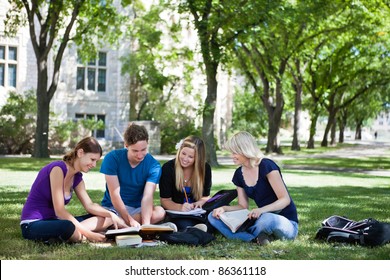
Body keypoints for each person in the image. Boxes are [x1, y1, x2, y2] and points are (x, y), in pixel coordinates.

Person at [20, 137, 126, 244]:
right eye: (92, 159)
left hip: (55, 221)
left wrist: (111, 215)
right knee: (67, 226)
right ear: (80, 153)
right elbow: (59, 211)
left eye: (96, 161)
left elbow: (89, 205)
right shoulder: (58, 169)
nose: (94, 165)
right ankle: (82, 236)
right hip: (34, 224)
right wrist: (89, 234)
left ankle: (67, 237)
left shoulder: (77, 178)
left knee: (108, 216)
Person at [208, 131, 298, 245]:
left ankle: (246, 234)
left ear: (245, 150)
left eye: (235, 152)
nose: (232, 156)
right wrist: (224, 209)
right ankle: (255, 238)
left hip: (285, 222)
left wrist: (261, 210)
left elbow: (285, 199)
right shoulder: (238, 174)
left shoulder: (267, 165)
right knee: (212, 216)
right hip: (260, 218)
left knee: (267, 219)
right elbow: (243, 206)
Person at [100, 123, 165, 227]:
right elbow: (115, 195)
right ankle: (119, 222)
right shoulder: (112, 158)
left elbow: (147, 197)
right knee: (108, 217)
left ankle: (116, 224)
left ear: (147, 143)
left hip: (138, 209)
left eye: (143, 150)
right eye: (135, 150)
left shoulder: (154, 165)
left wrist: (146, 227)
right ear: (126, 145)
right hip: (114, 207)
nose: (140, 155)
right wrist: (130, 220)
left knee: (160, 212)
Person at [159, 136, 212, 231]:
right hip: (177, 212)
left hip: (196, 213)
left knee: (218, 213)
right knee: (185, 223)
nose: (185, 159)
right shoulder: (168, 168)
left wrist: (200, 202)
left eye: (191, 157)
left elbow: (205, 196)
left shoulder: (205, 169)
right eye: (183, 153)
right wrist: (180, 207)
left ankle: (195, 228)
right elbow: (165, 200)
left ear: (198, 158)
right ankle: (192, 229)